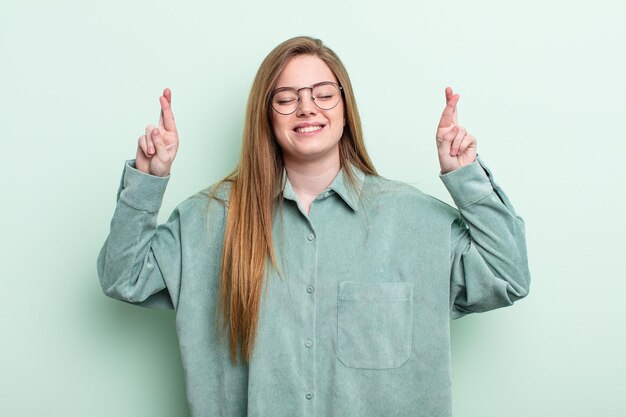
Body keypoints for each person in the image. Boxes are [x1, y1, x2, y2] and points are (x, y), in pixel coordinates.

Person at [97, 36, 530, 417]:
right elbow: (123, 276)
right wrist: (147, 181)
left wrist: (466, 178)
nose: (306, 107)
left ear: (345, 108)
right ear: (266, 115)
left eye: (323, 94)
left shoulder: (416, 220)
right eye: (286, 98)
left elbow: (508, 276)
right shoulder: (207, 220)